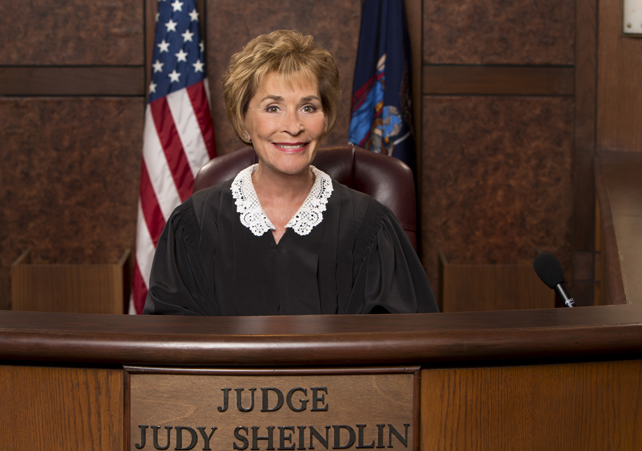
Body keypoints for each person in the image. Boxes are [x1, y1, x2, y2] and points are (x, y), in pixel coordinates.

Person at [144, 30, 437, 316]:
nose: (293, 126)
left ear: (325, 120)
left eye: (308, 107)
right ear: (243, 122)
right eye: (273, 108)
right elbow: (171, 340)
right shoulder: (192, 225)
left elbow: (407, 338)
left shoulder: (372, 227)